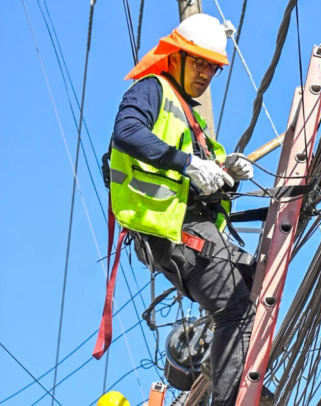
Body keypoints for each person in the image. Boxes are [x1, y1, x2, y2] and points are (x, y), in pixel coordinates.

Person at [109, 13, 256, 406]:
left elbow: (199, 183)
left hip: (191, 228)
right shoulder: (153, 89)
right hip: (168, 232)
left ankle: (232, 378)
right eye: (200, 62)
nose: (207, 73)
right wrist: (188, 164)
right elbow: (126, 132)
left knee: (257, 276)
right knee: (237, 303)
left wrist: (227, 171)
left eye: (213, 66)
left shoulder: (192, 119)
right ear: (177, 56)